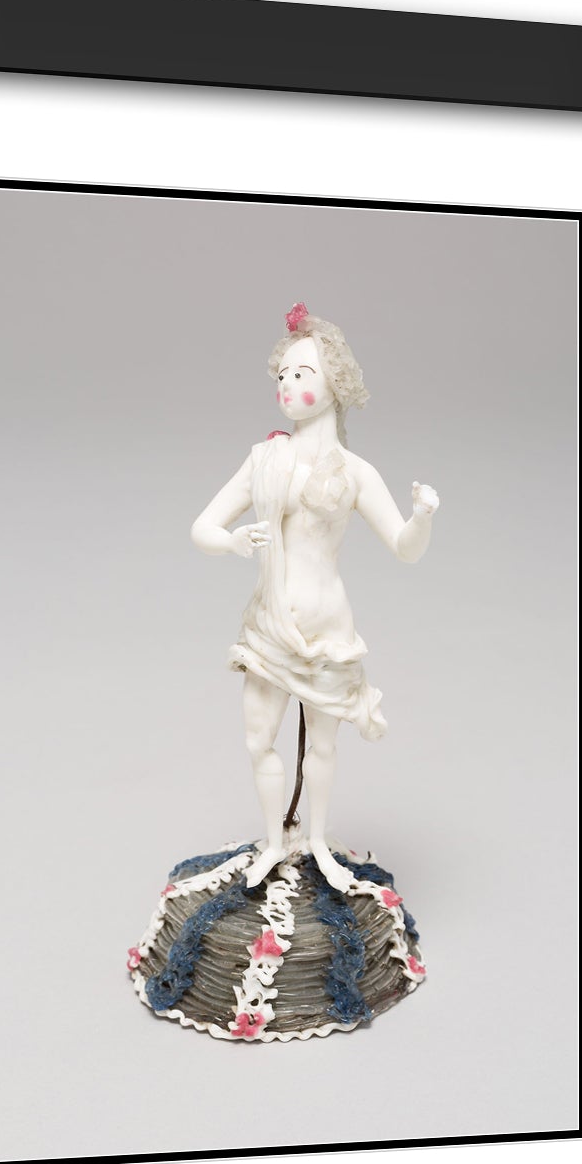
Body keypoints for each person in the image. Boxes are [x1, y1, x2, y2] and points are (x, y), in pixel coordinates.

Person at [190, 302, 439, 891]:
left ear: (335, 385)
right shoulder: (264, 458)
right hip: (269, 624)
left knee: (322, 746)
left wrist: (423, 517)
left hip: (328, 629)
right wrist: (232, 541)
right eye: (282, 374)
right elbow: (202, 526)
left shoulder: (355, 472)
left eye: (302, 373)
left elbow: (404, 547)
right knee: (258, 740)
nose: (286, 384)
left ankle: (319, 843)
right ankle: (275, 843)